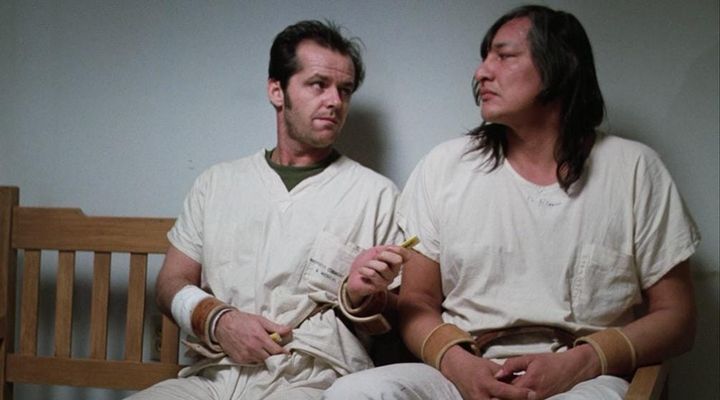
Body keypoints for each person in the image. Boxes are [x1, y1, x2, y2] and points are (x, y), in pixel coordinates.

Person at [323, 5, 699, 400]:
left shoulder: (634, 169)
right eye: (485, 58)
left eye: (504, 56)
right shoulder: (444, 166)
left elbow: (678, 318)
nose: (481, 72)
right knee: (352, 394)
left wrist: (583, 361)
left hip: (584, 377)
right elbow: (418, 301)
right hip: (465, 367)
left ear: (559, 67)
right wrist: (458, 365)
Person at [127, 20, 410, 400]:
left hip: (312, 382)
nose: (335, 101)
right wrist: (218, 320)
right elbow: (169, 285)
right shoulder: (217, 183)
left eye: (344, 90)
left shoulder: (376, 195)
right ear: (277, 91)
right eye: (318, 84)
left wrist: (362, 297)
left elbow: (397, 319)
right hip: (212, 376)